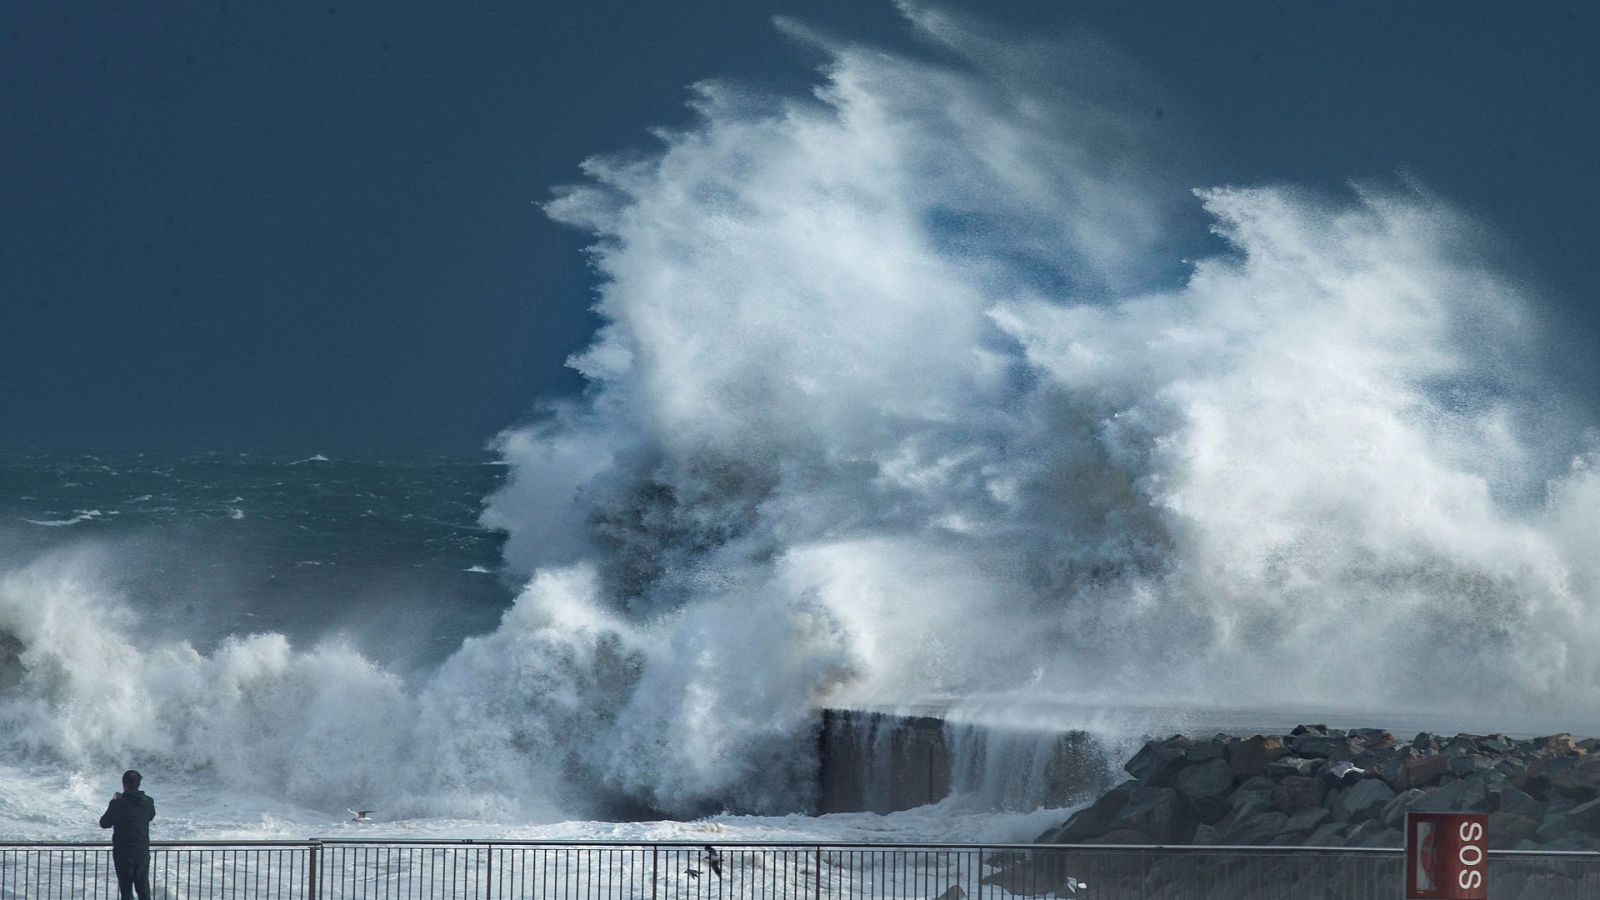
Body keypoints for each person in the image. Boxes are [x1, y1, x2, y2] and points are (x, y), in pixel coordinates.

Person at [99, 769, 156, 900]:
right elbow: (150, 816)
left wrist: (112, 802)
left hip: (122, 851)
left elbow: (104, 823)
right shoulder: (148, 801)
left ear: (123, 784)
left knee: (126, 890)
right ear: (139, 784)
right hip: (141, 850)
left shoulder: (117, 803)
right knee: (143, 888)